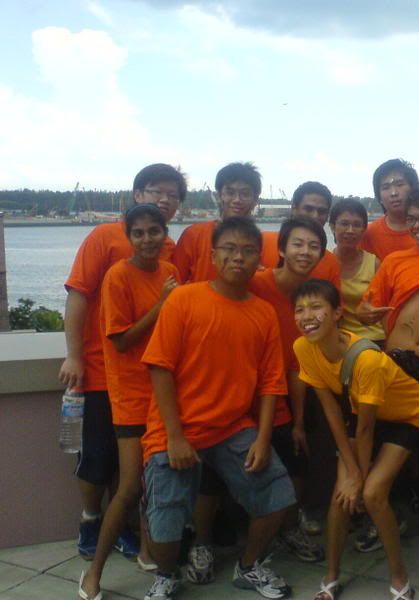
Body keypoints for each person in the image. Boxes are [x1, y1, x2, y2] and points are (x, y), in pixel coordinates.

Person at [140, 217, 294, 600]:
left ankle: (249, 566)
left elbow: (271, 383)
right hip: (175, 428)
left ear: (259, 259)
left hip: (232, 426)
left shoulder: (263, 313)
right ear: (213, 255)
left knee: (278, 496)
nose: (238, 257)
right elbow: (160, 367)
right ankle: (166, 575)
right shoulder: (184, 299)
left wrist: (262, 439)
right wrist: (174, 437)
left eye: (248, 251)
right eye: (229, 249)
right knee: (165, 522)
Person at [59, 163, 185, 563]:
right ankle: (90, 520)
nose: (164, 199)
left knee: (134, 465)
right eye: (155, 191)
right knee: (98, 457)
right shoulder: (104, 237)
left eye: (172, 195)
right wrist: (74, 354)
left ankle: (124, 531)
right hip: (101, 369)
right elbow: (79, 294)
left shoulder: (166, 251)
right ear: (137, 194)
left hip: (149, 377)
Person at [293, 279, 419, 600]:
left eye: (316, 307)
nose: (306, 316)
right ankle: (331, 575)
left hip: (406, 417)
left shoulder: (366, 359)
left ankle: (399, 578)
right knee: (342, 494)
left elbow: (366, 429)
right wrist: (351, 473)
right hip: (360, 413)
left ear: (337, 313)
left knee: (372, 494)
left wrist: (360, 477)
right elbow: (332, 411)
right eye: (299, 309)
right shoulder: (303, 347)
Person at [78, 205, 179, 600]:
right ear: (129, 236)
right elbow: (120, 340)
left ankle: (149, 551)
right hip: (130, 395)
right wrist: (161, 305)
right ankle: (93, 573)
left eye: (154, 231)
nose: (147, 239)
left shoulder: (169, 271)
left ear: (165, 233)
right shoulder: (118, 276)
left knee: (159, 481)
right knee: (130, 486)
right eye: (139, 233)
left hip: (163, 390)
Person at [358, 184, 419, 524]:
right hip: (397, 364)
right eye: (412, 219)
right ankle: (394, 502)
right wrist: (368, 312)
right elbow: (368, 306)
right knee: (393, 437)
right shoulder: (395, 261)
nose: (418, 225)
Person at [249, 216, 329, 564]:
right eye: (298, 244)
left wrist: (297, 420)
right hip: (245, 391)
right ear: (281, 249)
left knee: (296, 461)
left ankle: (289, 527)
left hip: (288, 390)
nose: (305, 252)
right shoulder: (255, 284)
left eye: (314, 246)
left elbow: (298, 363)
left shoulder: (312, 297)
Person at [173, 162, 261, 283]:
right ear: (219, 195)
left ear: (255, 199)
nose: (237, 200)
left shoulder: (262, 242)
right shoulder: (193, 235)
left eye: (245, 194)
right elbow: (175, 281)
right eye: (230, 193)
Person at [261, 181, 341, 287]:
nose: (315, 216)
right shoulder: (262, 242)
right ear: (294, 209)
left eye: (321, 211)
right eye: (308, 209)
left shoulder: (331, 262)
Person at [329, 198, 384, 344]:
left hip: (373, 338)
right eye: (344, 224)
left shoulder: (374, 264)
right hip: (339, 339)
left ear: (364, 229)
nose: (350, 230)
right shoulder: (325, 262)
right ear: (332, 226)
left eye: (357, 225)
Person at [360, 159, 419, 260]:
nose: (394, 193)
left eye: (400, 185)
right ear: (379, 197)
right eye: (386, 187)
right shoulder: (368, 234)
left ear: (413, 189)